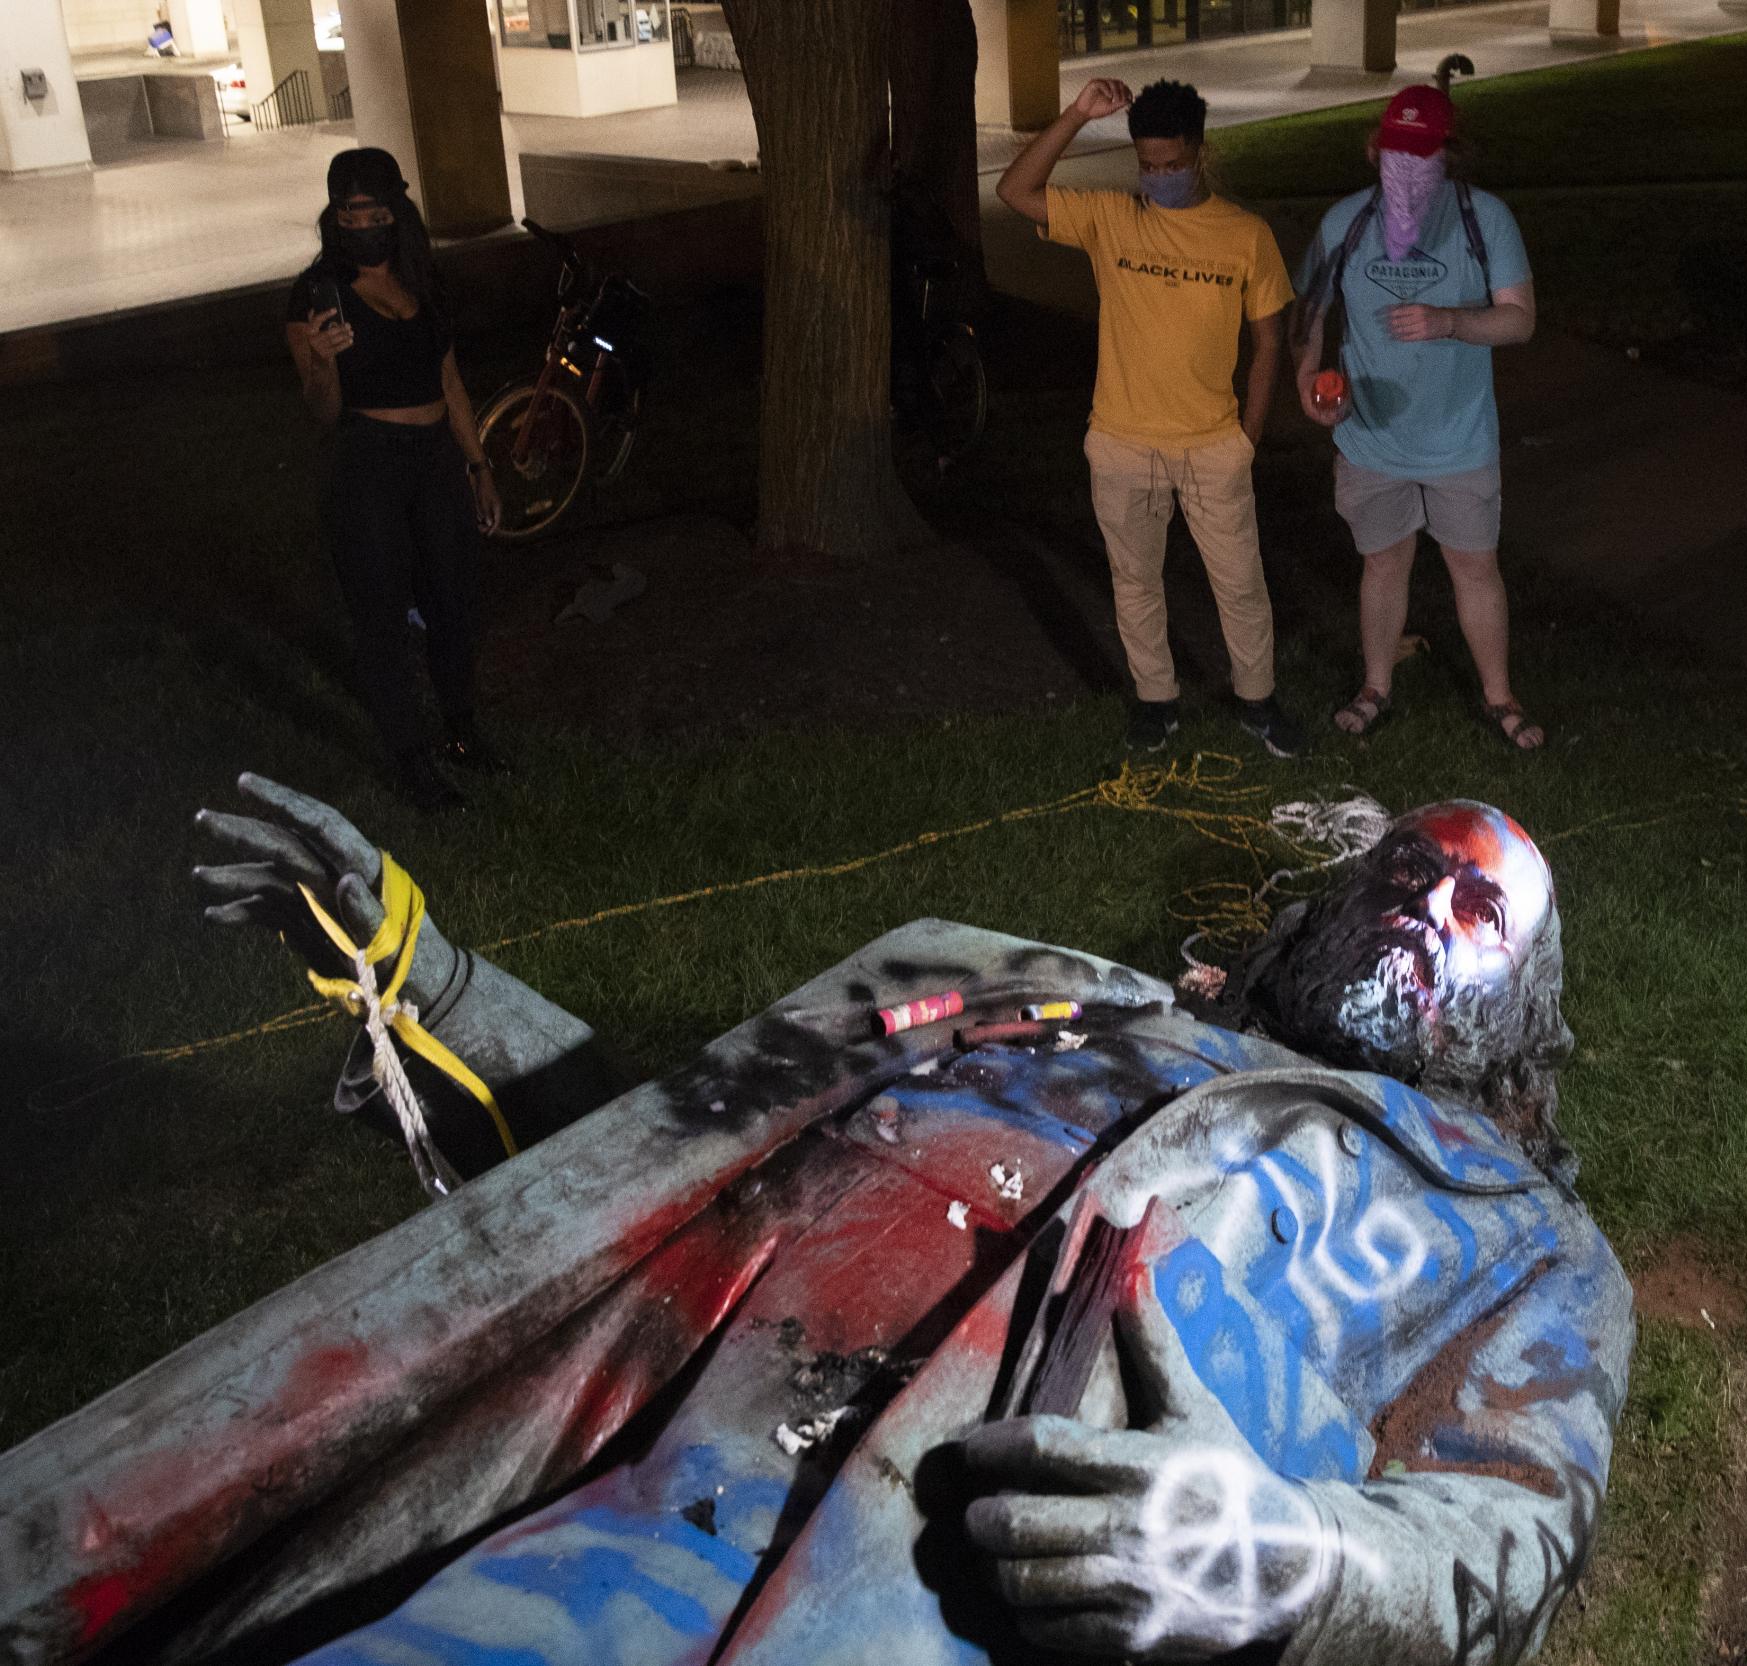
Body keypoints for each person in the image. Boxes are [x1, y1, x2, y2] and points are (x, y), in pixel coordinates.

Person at [9, 779, 1630, 1665]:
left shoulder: (1508, 1240)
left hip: (930, 1614)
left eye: (1481, 905)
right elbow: (666, 1156)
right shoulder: (1028, 992)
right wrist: (423, 980)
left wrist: (1286, 1563)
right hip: (617, 1539)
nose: (1428, 895)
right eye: (1412, 864)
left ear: (1520, 1010)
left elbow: (1500, 1546)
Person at [998, 79, 1307, 758]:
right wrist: (1077, 114)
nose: (1158, 178)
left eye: (1171, 165)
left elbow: (1268, 344)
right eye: (1147, 165)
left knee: (1240, 585)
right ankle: (1155, 703)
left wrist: (1245, 441)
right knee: (1135, 583)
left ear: (1198, 153)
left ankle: (1257, 700)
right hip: (1122, 441)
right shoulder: (1112, 218)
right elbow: (1015, 192)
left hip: (1211, 447)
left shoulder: (1245, 236)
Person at [1293, 58, 1543, 750]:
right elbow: (1309, 313)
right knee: (1383, 563)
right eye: (1396, 152)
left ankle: (1500, 698)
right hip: (1371, 439)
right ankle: (1376, 688)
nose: (1406, 165)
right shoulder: (1345, 222)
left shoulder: (1482, 218)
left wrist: (1450, 321)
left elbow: (1519, 320)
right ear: (1376, 150)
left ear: (1447, 155)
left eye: (1422, 153)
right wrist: (1309, 379)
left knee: (1474, 567)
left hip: (1459, 440)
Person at [283, 147, 504, 813]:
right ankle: (412, 763)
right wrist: (321, 364)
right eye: (349, 216)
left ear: (398, 212)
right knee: (381, 617)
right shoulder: (319, 295)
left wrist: (478, 465)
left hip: (435, 458)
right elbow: (322, 410)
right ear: (334, 218)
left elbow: (451, 382)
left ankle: (460, 733)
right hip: (369, 463)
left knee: (450, 602)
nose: (363, 226)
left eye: (376, 213)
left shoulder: (422, 281)